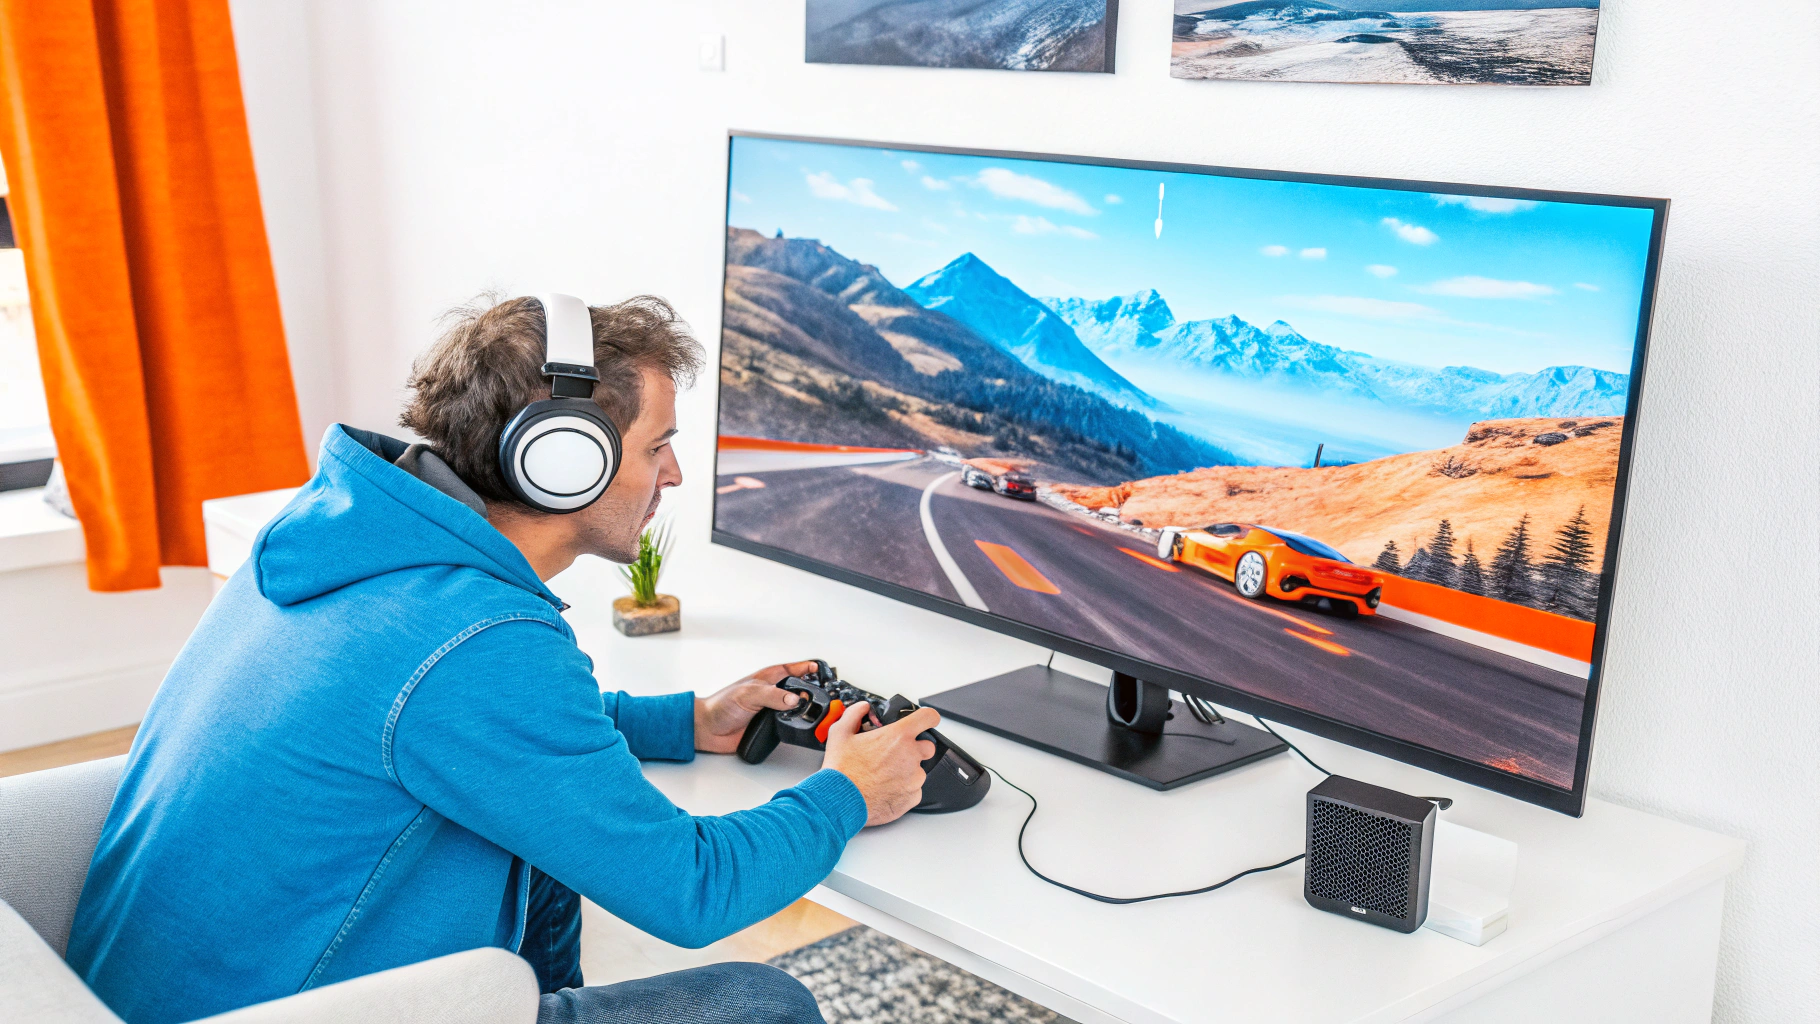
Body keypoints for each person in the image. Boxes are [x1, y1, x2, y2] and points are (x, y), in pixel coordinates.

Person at [64, 295, 941, 1024]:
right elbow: (692, 893)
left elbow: (451, 728)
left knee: (548, 846)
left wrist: (683, 722)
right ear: (564, 462)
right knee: (760, 1003)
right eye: (656, 446)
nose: (671, 475)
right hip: (294, 1012)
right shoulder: (475, 641)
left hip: (162, 997)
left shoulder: (343, 539)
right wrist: (848, 791)